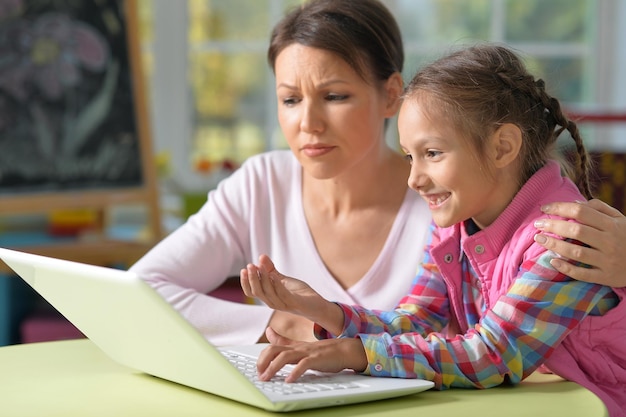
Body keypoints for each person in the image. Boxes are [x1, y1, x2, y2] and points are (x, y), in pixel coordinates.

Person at [130, 0, 626, 348]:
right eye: (289, 99)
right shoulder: (260, 183)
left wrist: (344, 342)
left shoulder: (454, 207)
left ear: (391, 95)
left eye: (335, 95)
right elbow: (140, 290)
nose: (308, 123)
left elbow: (480, 345)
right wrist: (284, 322)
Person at [240, 44, 626, 417]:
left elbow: (494, 355)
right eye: (410, 156)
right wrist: (327, 313)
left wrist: (358, 353)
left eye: (432, 154)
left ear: (502, 147)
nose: (414, 179)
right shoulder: (454, 228)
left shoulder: (565, 238)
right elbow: (416, 320)